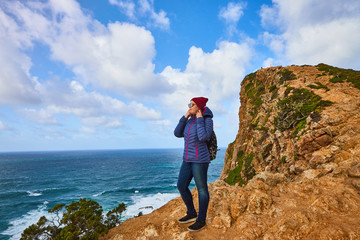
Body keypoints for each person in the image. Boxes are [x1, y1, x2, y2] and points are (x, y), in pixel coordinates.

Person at [174, 97, 213, 232]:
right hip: (187, 159)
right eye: (189, 104)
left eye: (192, 104)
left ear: (199, 107)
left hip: (200, 160)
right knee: (181, 185)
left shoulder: (207, 120)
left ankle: (201, 220)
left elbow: (203, 137)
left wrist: (200, 118)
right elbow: (177, 133)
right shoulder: (189, 121)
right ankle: (191, 213)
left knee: (202, 190)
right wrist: (185, 116)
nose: (189, 106)